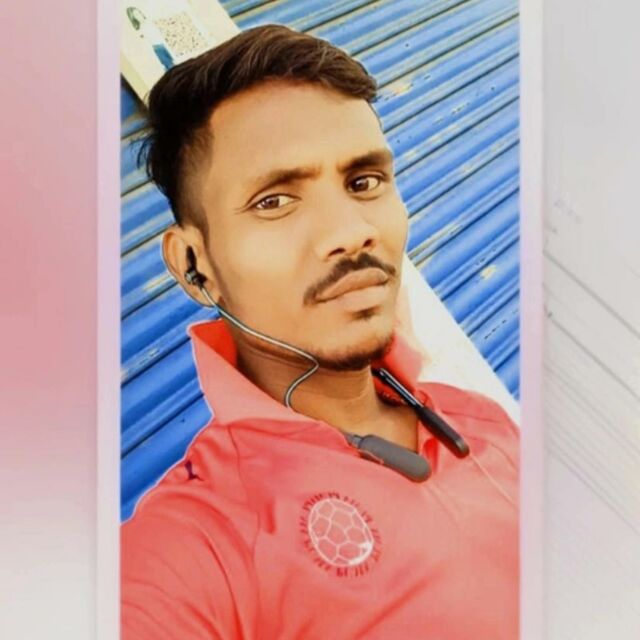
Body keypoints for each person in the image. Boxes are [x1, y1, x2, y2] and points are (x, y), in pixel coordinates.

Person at [121, 24, 519, 640]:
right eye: (274, 201)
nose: (352, 231)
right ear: (194, 264)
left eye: (364, 183)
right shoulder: (199, 542)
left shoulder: (479, 418)